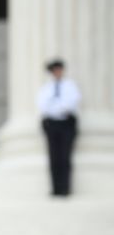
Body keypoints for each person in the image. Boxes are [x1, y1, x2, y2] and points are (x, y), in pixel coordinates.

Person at [36, 58, 81, 196]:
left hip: (66, 123)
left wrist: (57, 107)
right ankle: (55, 189)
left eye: (59, 69)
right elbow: (43, 106)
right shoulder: (46, 88)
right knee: (54, 157)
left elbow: (71, 103)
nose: (57, 72)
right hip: (52, 124)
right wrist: (57, 108)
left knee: (65, 156)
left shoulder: (70, 86)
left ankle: (65, 188)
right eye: (54, 70)